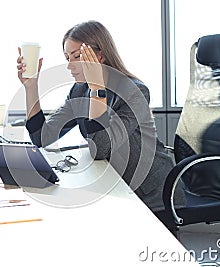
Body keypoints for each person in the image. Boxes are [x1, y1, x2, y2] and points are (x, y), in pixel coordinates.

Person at [16, 20, 186, 215]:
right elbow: (42, 137)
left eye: (77, 56)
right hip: (115, 185)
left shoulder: (135, 92)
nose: (69, 66)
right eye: (67, 58)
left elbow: (101, 148)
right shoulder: (80, 90)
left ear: (100, 56)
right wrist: (31, 87)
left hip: (151, 193)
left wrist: (97, 90)